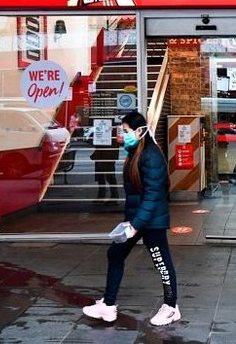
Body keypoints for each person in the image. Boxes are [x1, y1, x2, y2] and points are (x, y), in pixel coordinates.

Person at [82, 111, 180, 326]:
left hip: (151, 222)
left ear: (139, 131)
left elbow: (154, 195)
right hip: (137, 219)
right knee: (115, 254)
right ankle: (108, 306)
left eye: (125, 131)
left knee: (162, 263)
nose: (122, 135)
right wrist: (132, 222)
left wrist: (135, 225)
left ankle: (171, 307)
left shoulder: (151, 156)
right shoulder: (136, 151)